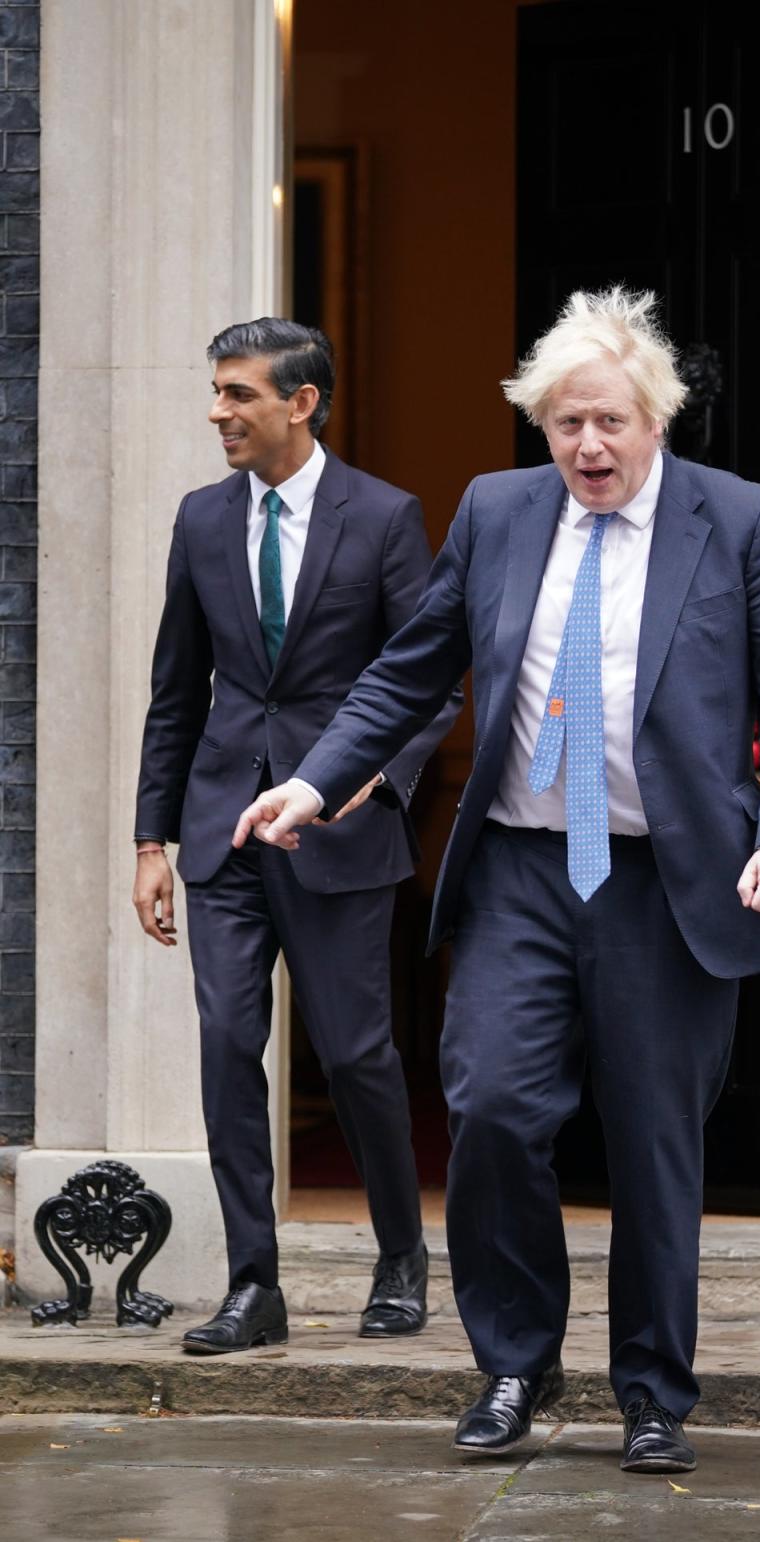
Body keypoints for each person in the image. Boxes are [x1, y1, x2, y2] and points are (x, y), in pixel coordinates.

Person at [232, 290, 760, 1470]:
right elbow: (411, 672)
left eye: (609, 422)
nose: (589, 449)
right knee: (496, 1109)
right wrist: (314, 782)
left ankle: (655, 1393)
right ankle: (514, 1362)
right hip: (522, 866)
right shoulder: (500, 512)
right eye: (565, 425)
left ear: (655, 419)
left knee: (654, 1137)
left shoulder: (746, 521)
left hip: (665, 882)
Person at [133, 318, 459, 1355]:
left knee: (360, 1053)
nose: (218, 412)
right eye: (217, 393)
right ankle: (253, 1284)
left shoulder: (385, 517)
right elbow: (176, 692)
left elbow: (432, 680)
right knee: (230, 1045)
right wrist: (152, 843)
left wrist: (378, 779)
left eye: (237, 394)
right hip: (222, 829)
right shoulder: (199, 519)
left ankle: (402, 1257)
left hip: (339, 829)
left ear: (301, 402)